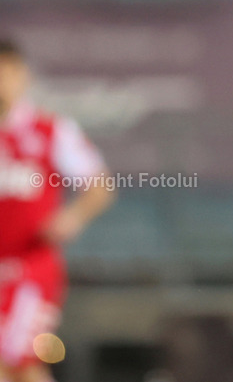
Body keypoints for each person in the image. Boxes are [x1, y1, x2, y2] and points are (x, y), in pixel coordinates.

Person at [0, 39, 115, 382]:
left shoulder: (50, 131)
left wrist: (72, 217)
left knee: (18, 358)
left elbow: (99, 185)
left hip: (31, 270)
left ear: (22, 76)